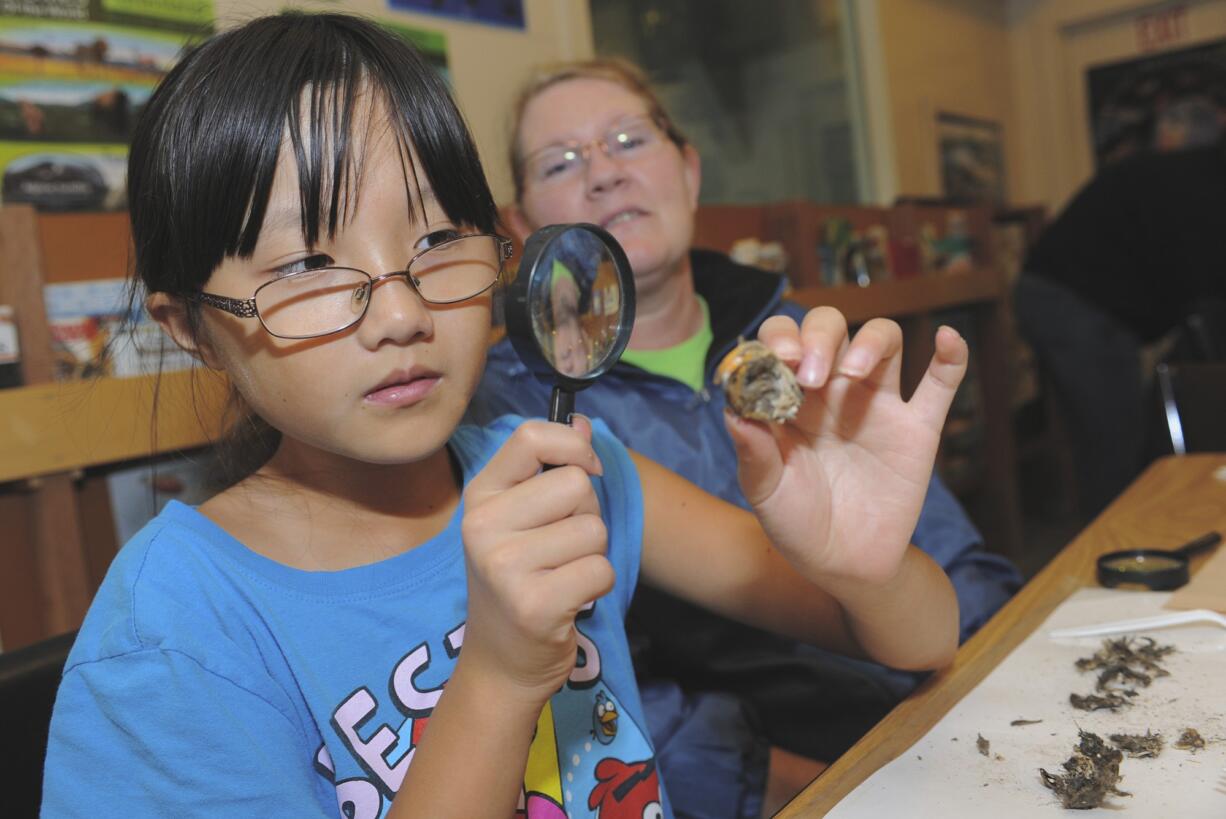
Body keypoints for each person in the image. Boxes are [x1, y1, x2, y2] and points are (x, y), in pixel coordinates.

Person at [43, 14, 966, 818]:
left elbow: (923, 640)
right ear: (193, 329)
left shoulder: (571, 467)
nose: (404, 313)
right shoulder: (172, 631)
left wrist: (860, 566)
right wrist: (495, 674)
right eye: (307, 267)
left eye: (439, 240)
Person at [468, 58, 1023, 809]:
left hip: (957, 709)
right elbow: (591, 695)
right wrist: (780, 779)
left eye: (629, 139)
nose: (603, 173)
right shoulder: (517, 415)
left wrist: (1009, 678)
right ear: (524, 226)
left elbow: (960, 570)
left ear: (689, 172)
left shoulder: (797, 334)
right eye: (561, 162)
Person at [1016, 138, 1226, 516]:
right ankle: (1119, 550)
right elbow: (1203, 309)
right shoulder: (1205, 190)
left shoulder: (1196, 175)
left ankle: (1128, 531)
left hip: (1071, 293)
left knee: (1115, 433)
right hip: (1069, 297)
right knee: (1111, 441)